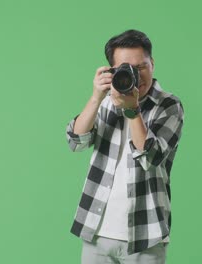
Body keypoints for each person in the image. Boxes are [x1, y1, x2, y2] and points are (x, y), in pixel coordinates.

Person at [66, 29, 184, 264]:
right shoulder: (106, 100)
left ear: (153, 64)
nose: (137, 75)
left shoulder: (169, 105)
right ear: (112, 70)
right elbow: (76, 142)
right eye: (127, 68)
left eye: (142, 67)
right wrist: (96, 98)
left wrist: (132, 110)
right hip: (96, 229)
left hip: (145, 234)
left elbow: (150, 158)